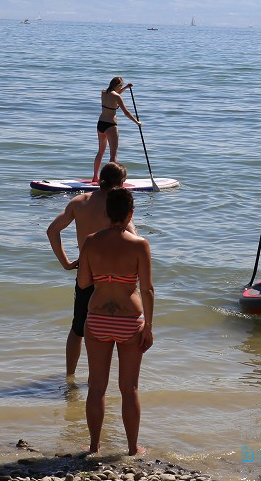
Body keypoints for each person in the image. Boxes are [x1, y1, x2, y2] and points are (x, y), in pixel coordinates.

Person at [78, 187, 154, 456]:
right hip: (129, 320)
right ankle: (133, 449)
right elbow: (147, 290)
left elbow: (84, 282)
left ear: (107, 212)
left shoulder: (90, 241)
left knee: (96, 386)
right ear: (131, 213)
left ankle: (94, 446)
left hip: (97, 317)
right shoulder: (139, 245)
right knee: (129, 388)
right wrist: (150, 327)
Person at [46, 162, 134, 378]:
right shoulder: (116, 207)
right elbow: (134, 238)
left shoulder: (79, 202)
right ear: (121, 183)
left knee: (78, 328)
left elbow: (52, 231)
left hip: (86, 273)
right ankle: (105, 378)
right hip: (113, 276)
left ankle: (70, 377)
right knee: (113, 328)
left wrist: (66, 263)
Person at [93, 77, 140, 184]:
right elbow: (126, 113)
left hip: (101, 124)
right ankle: (110, 180)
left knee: (100, 152)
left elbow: (114, 94)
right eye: (121, 85)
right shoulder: (117, 97)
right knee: (113, 154)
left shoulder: (104, 92)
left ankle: (95, 177)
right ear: (117, 86)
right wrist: (137, 122)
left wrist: (126, 88)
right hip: (111, 125)